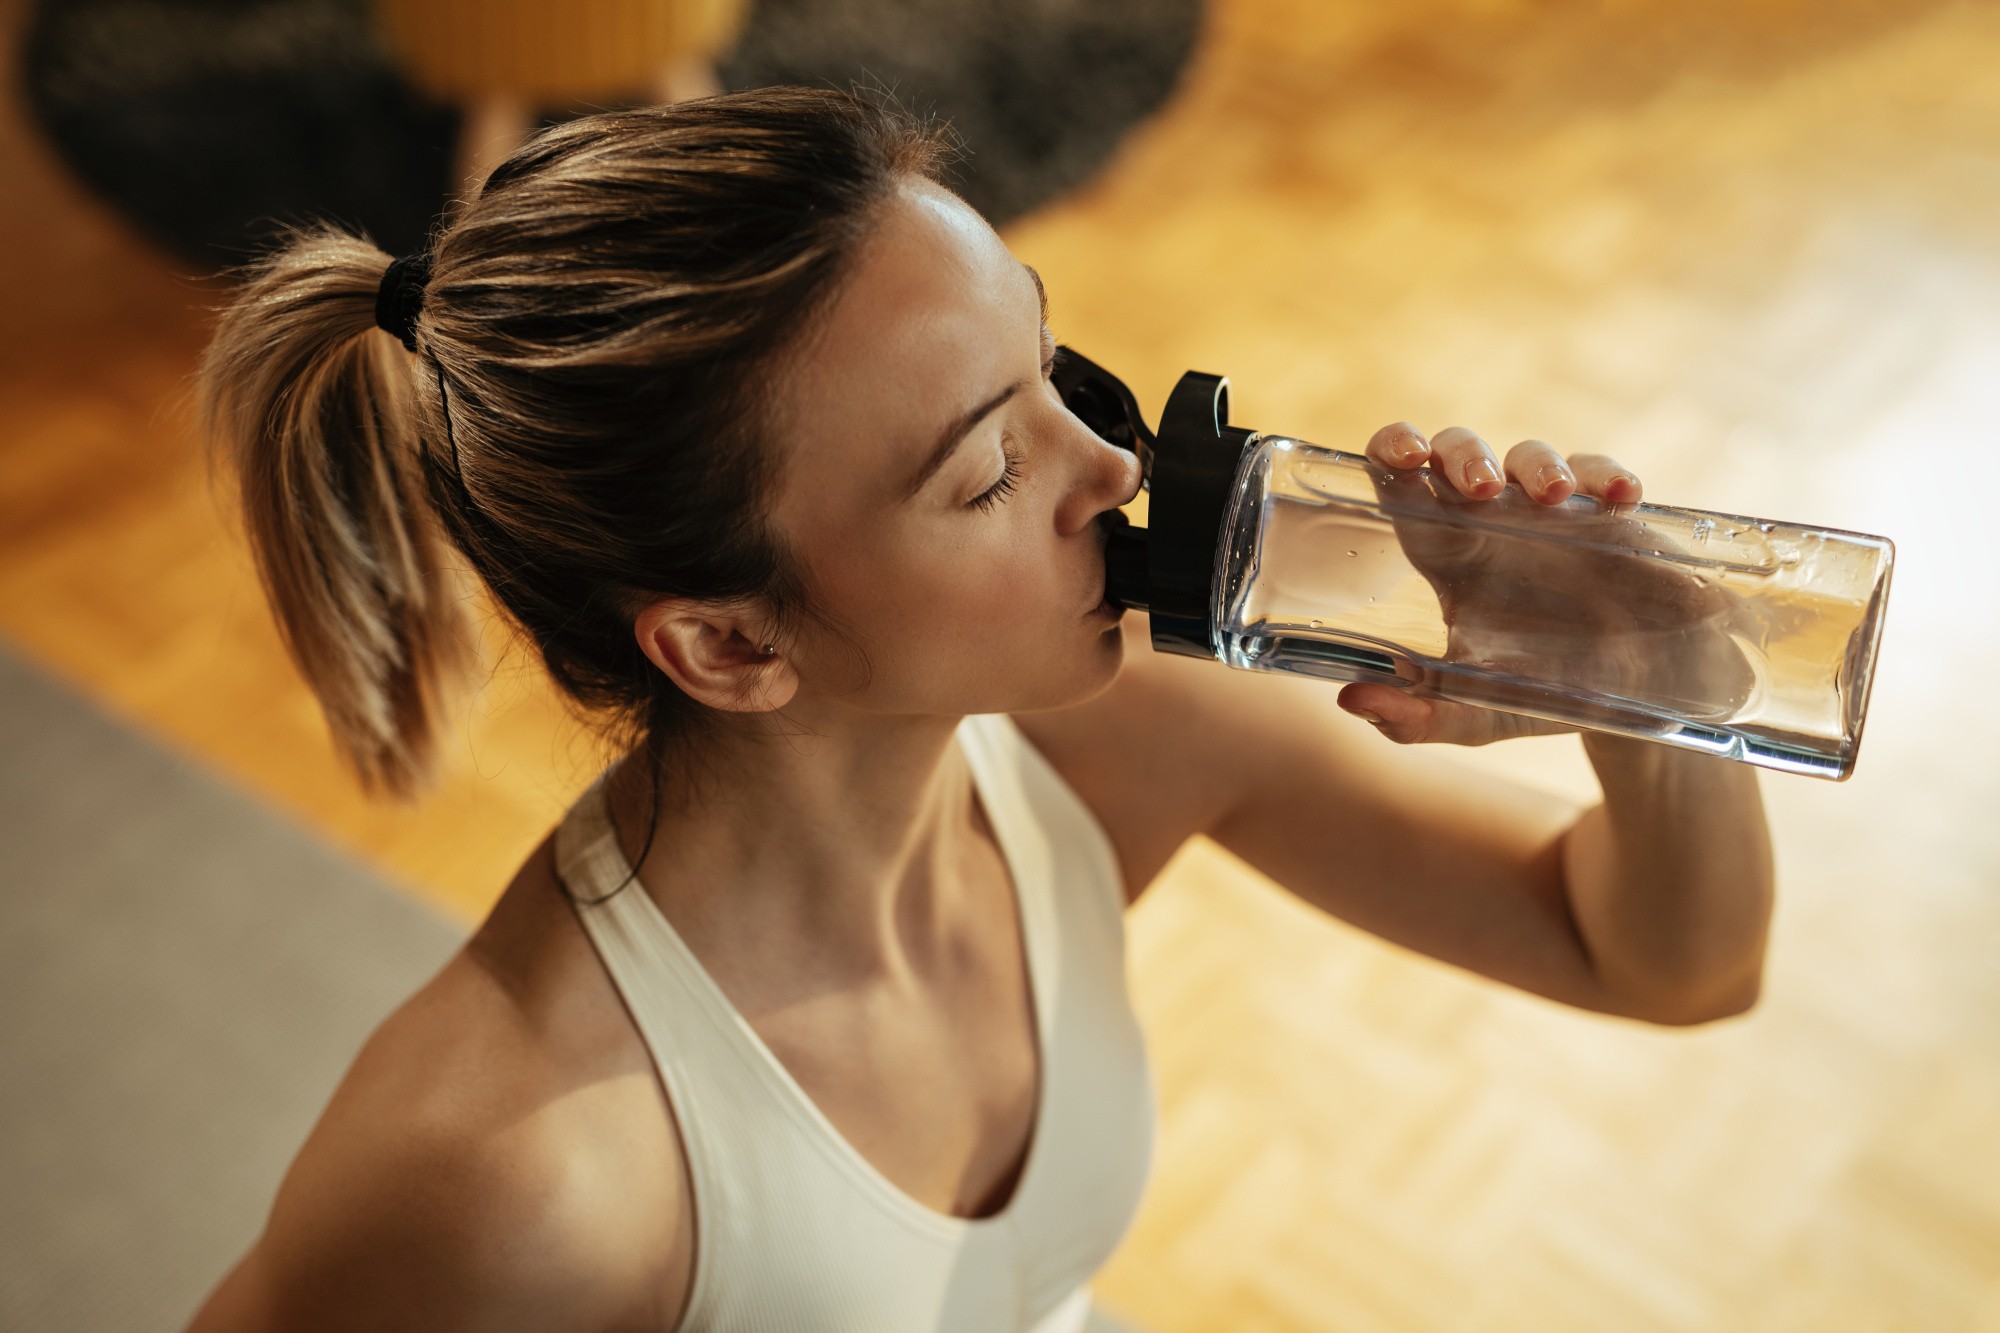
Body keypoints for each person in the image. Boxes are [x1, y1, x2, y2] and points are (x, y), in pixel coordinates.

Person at [185, 86, 1774, 1332]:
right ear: (731, 646)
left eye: (1046, 366)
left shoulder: (1115, 728)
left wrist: (1649, 692)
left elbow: (1660, 961)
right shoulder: (519, 1173)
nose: (1115, 468)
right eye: (989, 468)